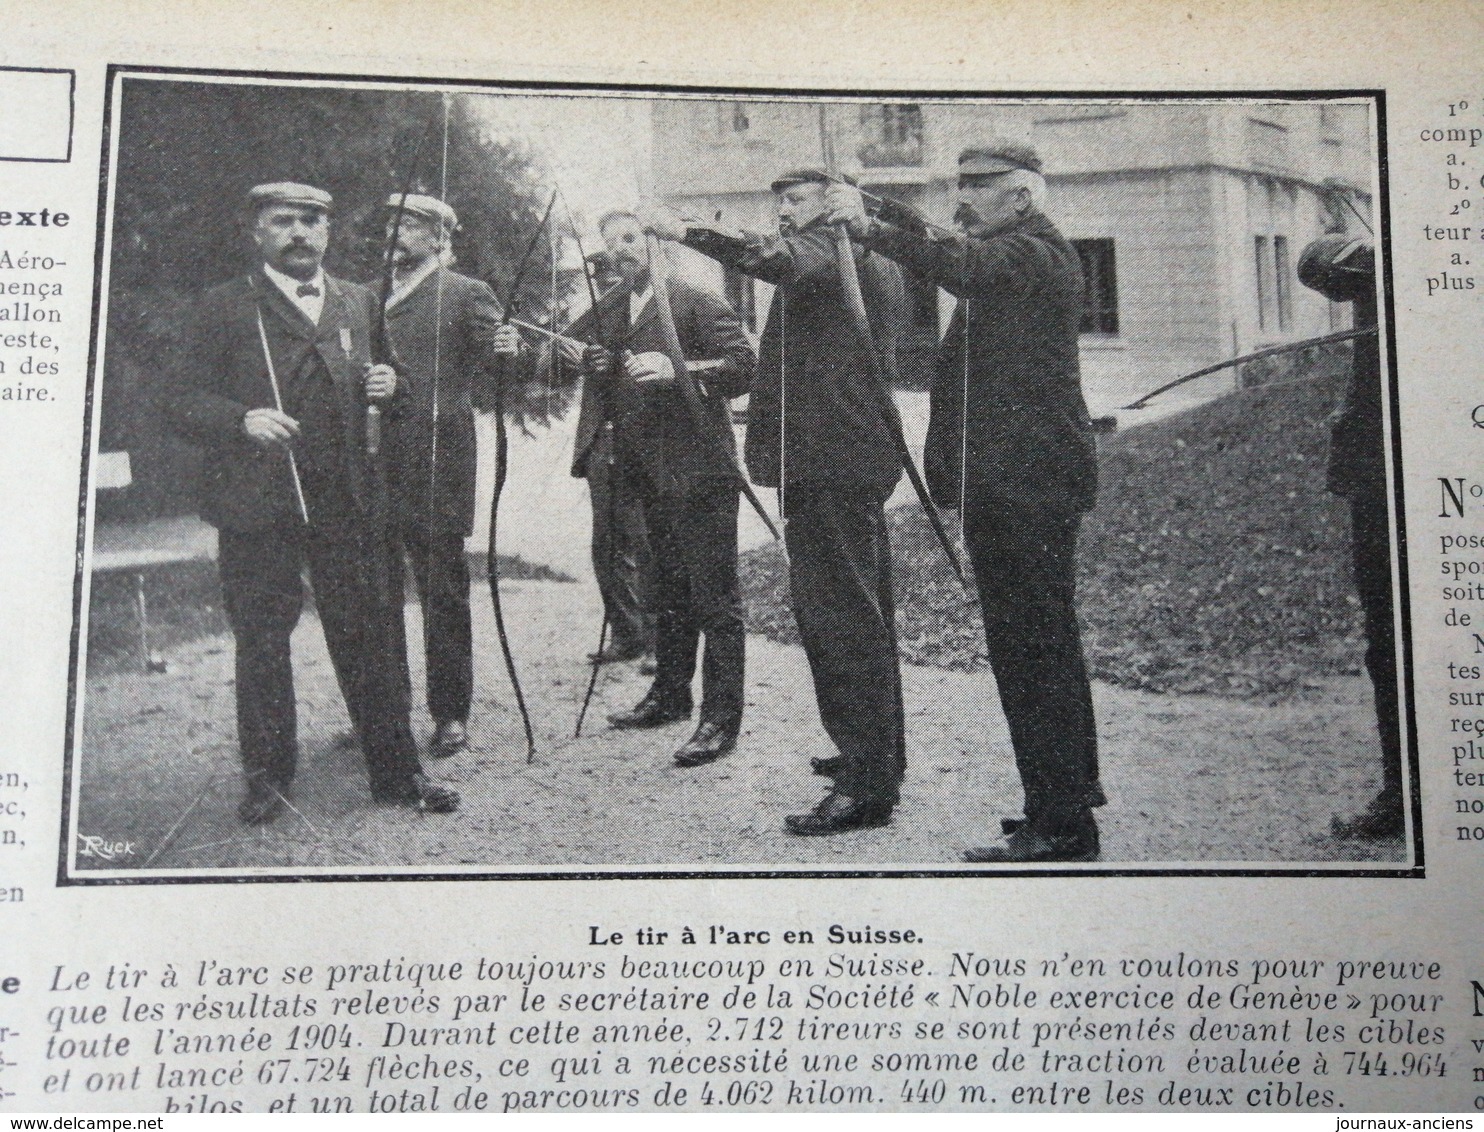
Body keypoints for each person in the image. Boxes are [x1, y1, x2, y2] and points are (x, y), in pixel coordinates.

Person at [825, 142, 1104, 862]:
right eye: (960, 189)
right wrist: (873, 210)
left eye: (978, 191)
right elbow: (955, 254)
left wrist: (871, 227)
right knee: (1031, 651)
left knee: (1036, 652)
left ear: (1023, 198)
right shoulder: (1011, 252)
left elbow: (962, 263)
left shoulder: (1034, 256)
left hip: (1030, 487)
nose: (962, 202)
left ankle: (1064, 822)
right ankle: (1059, 804)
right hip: (1011, 486)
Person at [161, 182, 458, 824]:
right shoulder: (222, 306)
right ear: (258, 232)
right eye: (284, 221)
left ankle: (399, 772)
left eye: (312, 222)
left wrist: (393, 382)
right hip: (257, 506)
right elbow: (177, 400)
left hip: (348, 502)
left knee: (370, 635)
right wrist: (241, 420)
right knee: (263, 640)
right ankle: (267, 777)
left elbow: (394, 381)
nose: (300, 233)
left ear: (327, 232)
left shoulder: (358, 299)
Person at [641, 171, 911, 832]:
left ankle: (865, 781)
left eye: (795, 201)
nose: (784, 213)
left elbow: (775, 256)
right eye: (779, 203)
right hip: (841, 459)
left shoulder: (831, 251)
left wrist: (687, 231)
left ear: (835, 204)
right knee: (862, 613)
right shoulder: (853, 258)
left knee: (839, 618)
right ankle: (879, 755)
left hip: (830, 463)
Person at [558, 211, 756, 766]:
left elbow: (746, 366)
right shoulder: (613, 307)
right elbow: (560, 350)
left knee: (714, 596)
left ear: (656, 242)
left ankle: (719, 719)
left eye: (630, 238)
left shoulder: (696, 300)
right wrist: (583, 358)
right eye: (610, 241)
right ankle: (669, 695)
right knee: (666, 589)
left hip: (702, 471)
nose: (620, 250)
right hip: (645, 472)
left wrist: (682, 371)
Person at [380, 193, 527, 758]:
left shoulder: (465, 293)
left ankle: (449, 713)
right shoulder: (368, 297)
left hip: (438, 458)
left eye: (413, 225)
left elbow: (498, 354)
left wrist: (506, 348)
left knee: (440, 587)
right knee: (377, 588)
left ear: (441, 237)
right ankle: (385, 709)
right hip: (375, 461)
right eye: (394, 224)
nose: (399, 233)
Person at [1297, 232, 1403, 840]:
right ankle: (1402, 791)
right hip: (1378, 478)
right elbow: (1317, 264)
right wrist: (1359, 254)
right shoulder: (1378, 258)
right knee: (1387, 641)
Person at [570, 249, 656, 672]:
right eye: (600, 281)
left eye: (613, 278)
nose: (607, 287)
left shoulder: (653, 307)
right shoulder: (595, 319)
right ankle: (627, 633)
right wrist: (583, 358)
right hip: (602, 443)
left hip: (645, 441)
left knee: (647, 541)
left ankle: (661, 641)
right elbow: (555, 353)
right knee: (606, 544)